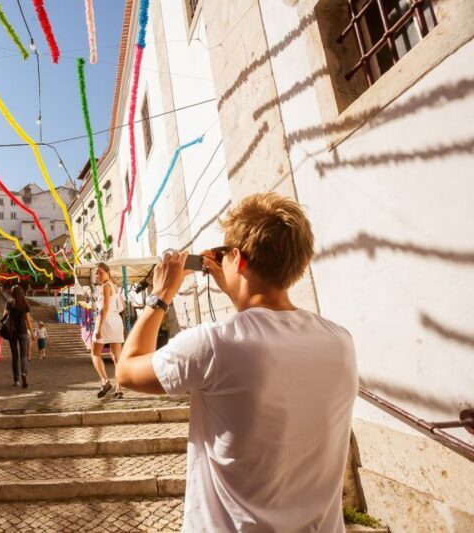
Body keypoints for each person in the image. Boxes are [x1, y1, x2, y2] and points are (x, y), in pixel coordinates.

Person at [116, 193, 358, 532]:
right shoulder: (340, 342)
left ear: (237, 259)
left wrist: (161, 296)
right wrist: (238, 288)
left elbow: (126, 371)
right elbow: (262, 328)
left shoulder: (213, 343)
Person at [91, 262, 126, 399]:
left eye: (100, 272)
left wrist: (99, 327)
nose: (98, 275)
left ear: (107, 271)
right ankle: (119, 389)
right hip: (116, 321)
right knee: (117, 357)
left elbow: (104, 308)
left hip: (105, 321)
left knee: (95, 353)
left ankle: (105, 381)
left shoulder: (105, 286)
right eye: (96, 273)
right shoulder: (115, 287)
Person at [3, 285, 35, 388]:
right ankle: (24, 373)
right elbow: (28, 320)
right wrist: (32, 333)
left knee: (15, 357)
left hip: (12, 332)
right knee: (24, 356)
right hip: (23, 332)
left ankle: (16, 380)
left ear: (12, 293)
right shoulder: (25, 303)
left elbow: (4, 316)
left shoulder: (9, 303)